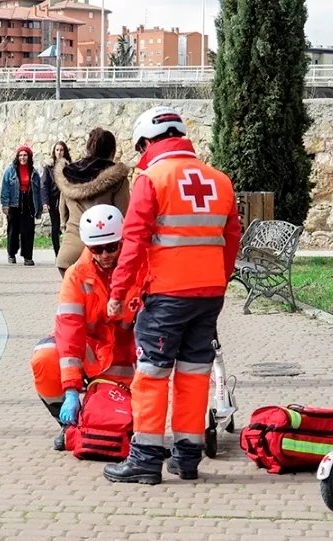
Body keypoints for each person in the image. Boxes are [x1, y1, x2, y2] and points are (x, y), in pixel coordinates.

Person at [102, 106, 241, 484]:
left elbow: (133, 243)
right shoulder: (220, 180)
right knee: (195, 374)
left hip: (167, 295)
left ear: (147, 142)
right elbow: (231, 241)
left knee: (151, 373)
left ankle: (146, 460)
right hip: (209, 294)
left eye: (139, 148)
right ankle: (187, 458)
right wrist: (219, 281)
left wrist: (118, 292)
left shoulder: (151, 180)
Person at [29, 204, 146, 451]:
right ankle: (68, 426)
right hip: (89, 349)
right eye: (97, 248)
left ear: (122, 240)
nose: (105, 254)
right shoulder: (76, 276)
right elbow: (69, 330)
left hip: (124, 354)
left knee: (121, 418)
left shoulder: (140, 269)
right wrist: (71, 389)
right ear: (87, 246)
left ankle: (131, 428)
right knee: (44, 358)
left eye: (112, 247)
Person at [54, 128, 130, 276]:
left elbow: (62, 211)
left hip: (72, 250)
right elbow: (123, 214)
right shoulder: (118, 178)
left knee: (74, 292)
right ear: (113, 150)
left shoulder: (67, 175)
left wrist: (66, 227)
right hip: (105, 249)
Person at [0, 145, 41, 266]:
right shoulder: (10, 171)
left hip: (28, 202)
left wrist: (39, 207)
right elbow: (5, 188)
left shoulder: (33, 172)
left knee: (28, 230)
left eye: (25, 155)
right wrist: (5, 204)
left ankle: (28, 256)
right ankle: (11, 253)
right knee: (13, 230)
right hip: (14, 203)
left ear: (29, 157)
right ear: (17, 157)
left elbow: (38, 191)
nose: (23, 157)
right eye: (20, 155)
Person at [40, 141, 71, 258]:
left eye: (61, 150)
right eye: (57, 150)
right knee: (55, 226)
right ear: (54, 152)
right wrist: (45, 202)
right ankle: (58, 253)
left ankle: (68, 251)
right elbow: (44, 185)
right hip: (54, 199)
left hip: (67, 198)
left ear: (65, 152)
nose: (59, 152)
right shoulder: (49, 168)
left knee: (68, 224)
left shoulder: (69, 166)